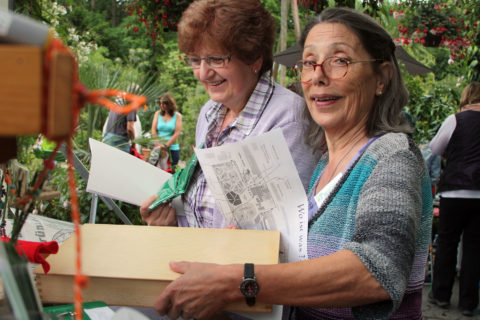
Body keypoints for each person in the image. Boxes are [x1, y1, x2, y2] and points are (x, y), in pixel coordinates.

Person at [146, 7, 433, 320]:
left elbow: (378, 268)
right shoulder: (324, 166)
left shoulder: (393, 155)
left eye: (340, 61)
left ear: (382, 78)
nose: (318, 76)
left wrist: (234, 284)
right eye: (309, 63)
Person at [140, 0, 319, 228]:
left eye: (216, 59)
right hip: (200, 258)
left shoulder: (288, 119)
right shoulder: (209, 113)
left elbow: (283, 229)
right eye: (196, 60)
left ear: (254, 58)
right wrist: (172, 222)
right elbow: (203, 210)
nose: (203, 73)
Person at [428, 82, 480, 317]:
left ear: (467, 97)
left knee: (447, 243)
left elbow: (435, 147)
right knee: (474, 247)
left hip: (453, 191)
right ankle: (468, 303)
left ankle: (440, 295)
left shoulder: (456, 119)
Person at [151, 92, 183, 173]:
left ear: (170, 104)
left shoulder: (177, 116)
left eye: (164, 103)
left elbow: (177, 133)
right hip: (158, 148)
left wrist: (165, 146)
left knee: (170, 172)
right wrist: (159, 144)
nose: (162, 105)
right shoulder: (157, 114)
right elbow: (153, 130)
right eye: (160, 103)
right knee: (156, 171)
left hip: (172, 148)